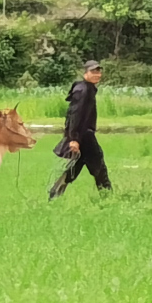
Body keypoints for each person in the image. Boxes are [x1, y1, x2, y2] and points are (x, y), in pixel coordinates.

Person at [48, 59, 110, 199]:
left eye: (98, 71)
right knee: (99, 166)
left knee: (77, 165)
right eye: (93, 71)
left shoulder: (87, 88)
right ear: (85, 73)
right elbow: (74, 115)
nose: (97, 74)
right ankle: (107, 197)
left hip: (83, 135)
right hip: (84, 136)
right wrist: (74, 139)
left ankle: (55, 192)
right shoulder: (83, 90)